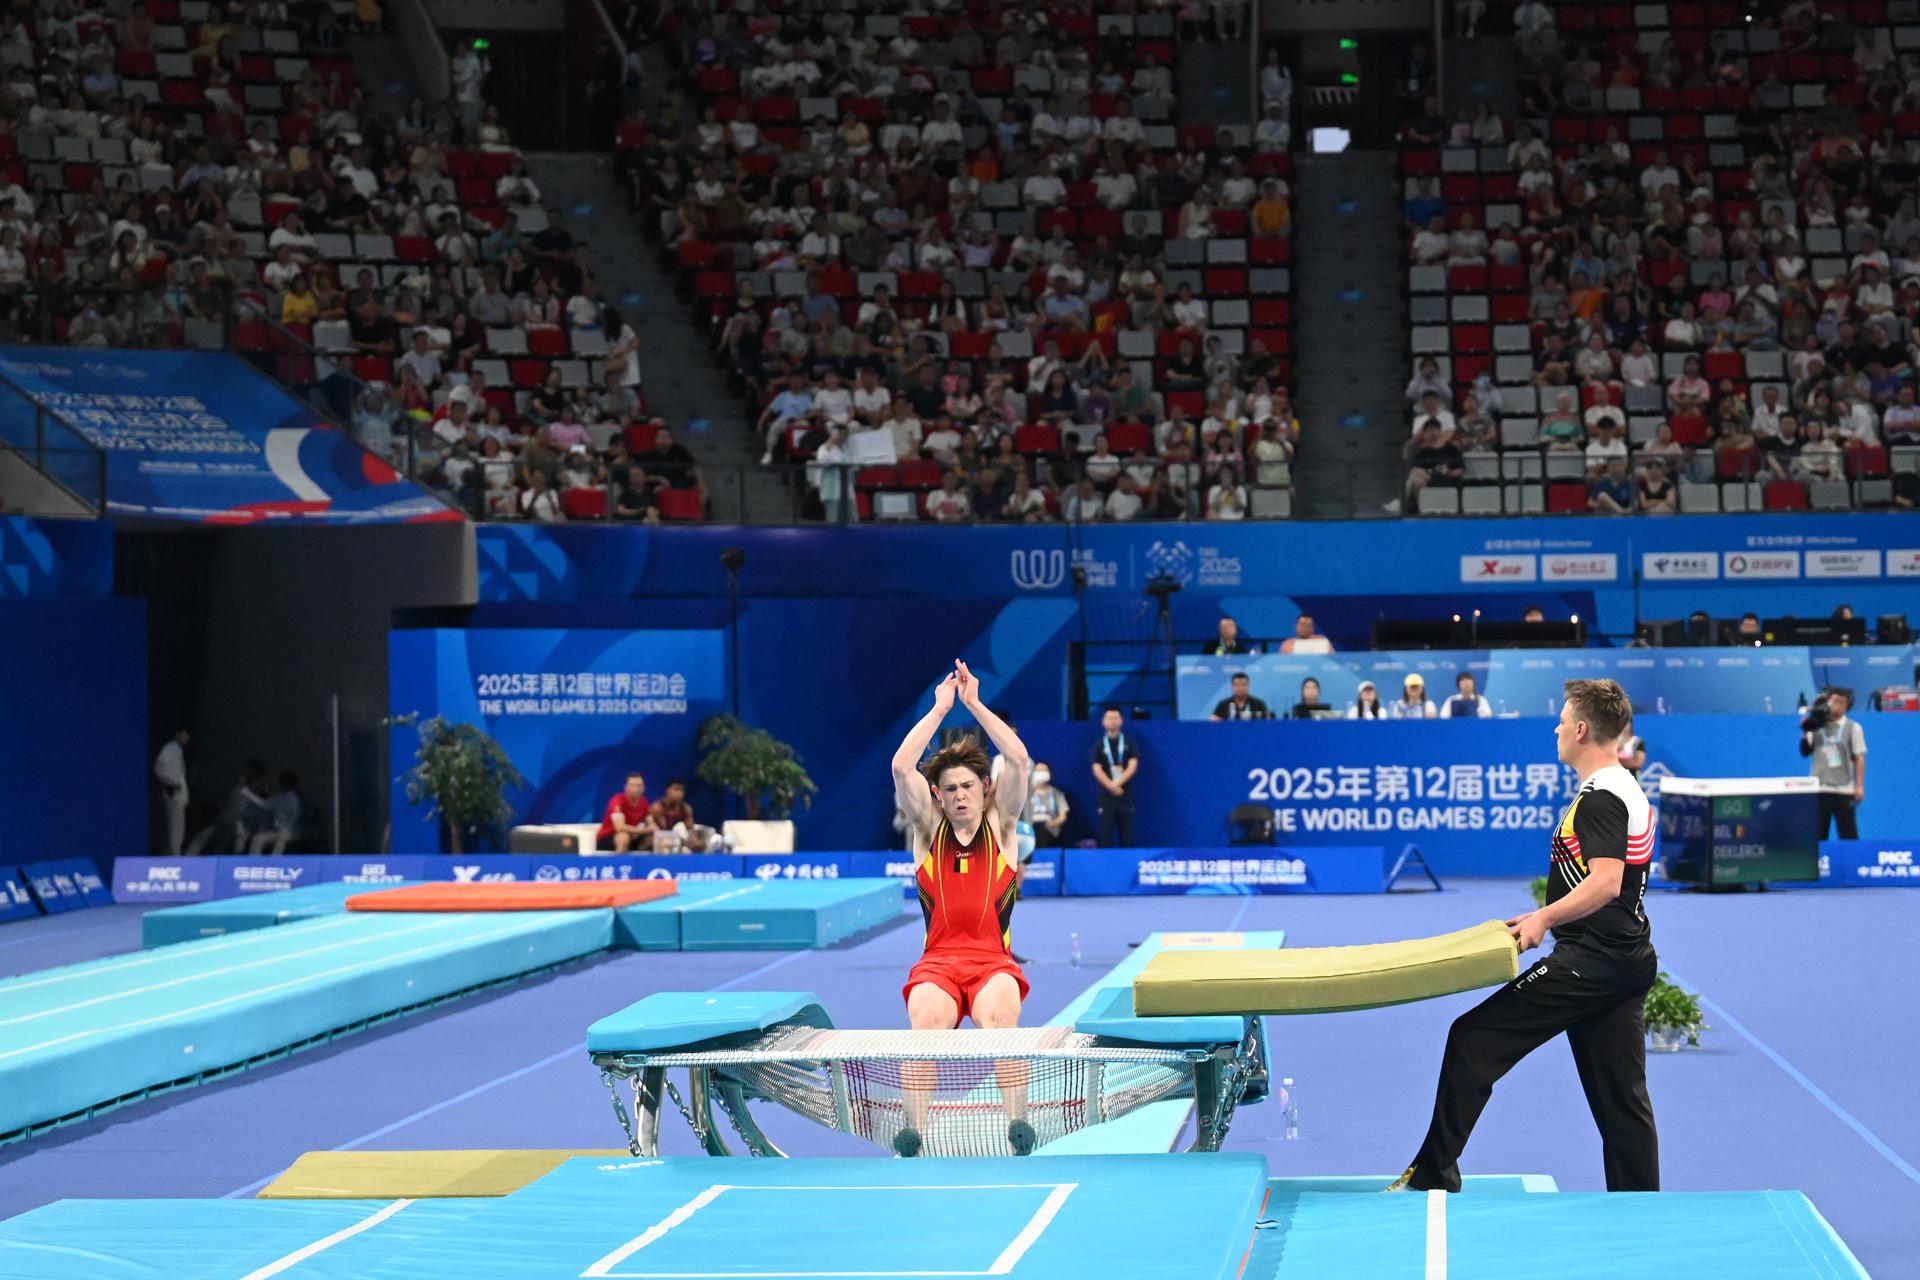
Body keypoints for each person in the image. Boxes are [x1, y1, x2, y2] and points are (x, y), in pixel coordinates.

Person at [1388, 679, 1659, 1194]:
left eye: (1562, 719)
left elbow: (1607, 882)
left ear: (1581, 730)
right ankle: (1641, 1209)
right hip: (1624, 958)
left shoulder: (1602, 797)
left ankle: (1433, 1171)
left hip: (1591, 962)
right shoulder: (1626, 787)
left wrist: (1543, 919)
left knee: (1471, 1039)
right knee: (1622, 1105)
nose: (1555, 727)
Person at [889, 661, 1034, 1157]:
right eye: (950, 788)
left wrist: (974, 705)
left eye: (968, 786)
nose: (959, 794)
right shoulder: (928, 833)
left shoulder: (1005, 830)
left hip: (993, 964)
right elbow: (900, 767)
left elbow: (1018, 760)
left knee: (1001, 1028)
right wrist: (938, 711)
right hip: (938, 966)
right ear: (939, 796)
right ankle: (913, 1133)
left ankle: (1018, 1127)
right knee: (925, 1030)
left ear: (984, 789)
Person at [1801, 688, 1865, 838]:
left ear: (1847, 706)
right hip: (1819, 788)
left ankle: (1852, 862)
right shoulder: (1815, 725)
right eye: (1834, 701)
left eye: (1841, 702)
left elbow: (1860, 757)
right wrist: (1805, 730)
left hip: (1844, 790)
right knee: (1817, 836)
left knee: (1849, 835)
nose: (1837, 705)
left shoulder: (1853, 728)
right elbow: (1804, 751)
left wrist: (1859, 786)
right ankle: (1817, 862)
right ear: (1827, 702)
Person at [1090, 706, 1139, 846]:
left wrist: (1118, 783)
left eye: (1115, 718)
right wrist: (1110, 785)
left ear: (1121, 721)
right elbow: (1096, 769)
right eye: (1109, 718)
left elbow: (1133, 765)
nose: (1112, 721)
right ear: (1103, 721)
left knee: (1127, 835)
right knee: (1106, 834)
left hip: (1125, 794)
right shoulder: (1099, 745)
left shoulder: (1129, 743)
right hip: (1106, 796)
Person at [154, 728, 189, 856]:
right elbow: (159, 769)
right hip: (173, 793)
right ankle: (174, 856)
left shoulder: (177, 750)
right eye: (184, 735)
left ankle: (174, 854)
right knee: (175, 828)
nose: (186, 739)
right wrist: (171, 783)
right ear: (178, 734)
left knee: (178, 828)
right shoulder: (169, 749)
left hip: (178, 793)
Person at [596, 772, 652, 851]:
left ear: (643, 788)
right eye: (632, 785)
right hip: (608, 837)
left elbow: (650, 822)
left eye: (639, 785)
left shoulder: (644, 802)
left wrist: (653, 827)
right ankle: (619, 863)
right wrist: (643, 830)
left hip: (632, 837)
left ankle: (639, 862)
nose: (635, 789)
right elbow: (619, 827)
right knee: (623, 837)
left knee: (653, 837)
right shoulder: (617, 800)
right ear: (626, 787)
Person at [250, 770, 303, 854]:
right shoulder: (279, 797)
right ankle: (255, 863)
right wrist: (248, 793)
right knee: (258, 839)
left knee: (282, 837)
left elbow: (295, 818)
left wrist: (285, 829)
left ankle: (274, 862)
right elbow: (264, 804)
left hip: (291, 832)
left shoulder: (294, 798)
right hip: (276, 832)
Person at [1024, 763, 1071, 847]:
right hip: (1030, 828)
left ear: (1050, 773)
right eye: (1038, 771)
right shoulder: (1027, 794)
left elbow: (1063, 817)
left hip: (1050, 828)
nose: (1041, 773)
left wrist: (1051, 824)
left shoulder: (1057, 793)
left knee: (1040, 830)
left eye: (1044, 770)